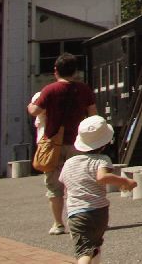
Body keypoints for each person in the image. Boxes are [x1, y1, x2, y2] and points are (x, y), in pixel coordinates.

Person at [28, 53, 97, 235]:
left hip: (53, 144)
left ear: (56, 71)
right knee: (79, 183)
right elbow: (94, 115)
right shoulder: (84, 89)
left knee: (54, 186)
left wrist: (30, 106)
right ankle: (83, 222)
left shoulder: (50, 90)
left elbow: (35, 111)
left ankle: (58, 224)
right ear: (75, 72)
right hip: (78, 143)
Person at [58, 116, 137, 264]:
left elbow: (66, 183)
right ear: (105, 143)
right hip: (100, 212)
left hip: (77, 213)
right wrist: (124, 181)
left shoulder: (69, 163)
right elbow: (103, 177)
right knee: (94, 246)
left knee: (83, 251)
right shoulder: (102, 159)